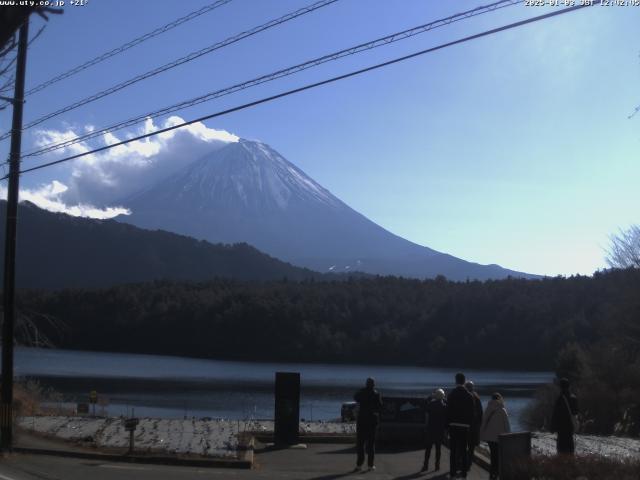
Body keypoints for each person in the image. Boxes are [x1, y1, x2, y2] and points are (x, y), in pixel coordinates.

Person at [446, 372, 475, 479]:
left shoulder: (451, 394)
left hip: (453, 425)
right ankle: (464, 474)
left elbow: (447, 412)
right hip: (465, 426)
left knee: (453, 451)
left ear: (456, 381)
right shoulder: (469, 396)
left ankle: (452, 473)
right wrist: (469, 425)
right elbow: (472, 413)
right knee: (463, 450)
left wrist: (447, 426)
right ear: (464, 381)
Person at [353, 377, 383, 472]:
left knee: (360, 444)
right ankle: (370, 465)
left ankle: (359, 465)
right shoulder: (376, 393)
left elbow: (355, 397)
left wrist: (362, 391)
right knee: (371, 444)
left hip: (362, 420)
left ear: (366, 383)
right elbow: (380, 406)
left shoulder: (361, 392)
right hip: (372, 421)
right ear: (373, 384)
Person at [480, 392, 511, 480]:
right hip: (500, 437)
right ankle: (496, 474)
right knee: (498, 456)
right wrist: (509, 436)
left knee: (493, 455)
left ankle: (492, 474)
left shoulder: (488, 408)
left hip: (489, 437)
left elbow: (483, 422)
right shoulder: (502, 409)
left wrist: (481, 435)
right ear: (500, 398)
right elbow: (507, 425)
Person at [551, 377, 579, 455]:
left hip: (561, 426)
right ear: (569, 386)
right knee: (570, 445)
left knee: (561, 447)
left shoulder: (560, 398)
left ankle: (562, 463)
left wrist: (552, 427)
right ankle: (570, 462)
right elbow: (576, 412)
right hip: (570, 425)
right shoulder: (573, 398)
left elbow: (555, 413)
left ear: (560, 387)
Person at [422, 388, 447, 472]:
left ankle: (425, 465)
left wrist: (430, 396)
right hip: (440, 430)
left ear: (435, 396)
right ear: (443, 396)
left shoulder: (431, 404)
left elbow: (425, 411)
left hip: (431, 428)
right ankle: (437, 465)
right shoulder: (444, 406)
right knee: (438, 449)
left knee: (428, 449)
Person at [465, 381, 483, 471]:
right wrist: (479, 425)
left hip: (464, 426)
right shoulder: (476, 397)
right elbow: (480, 413)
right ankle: (468, 463)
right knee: (471, 446)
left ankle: (462, 462)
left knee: (463, 445)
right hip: (474, 426)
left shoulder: (463, 397)